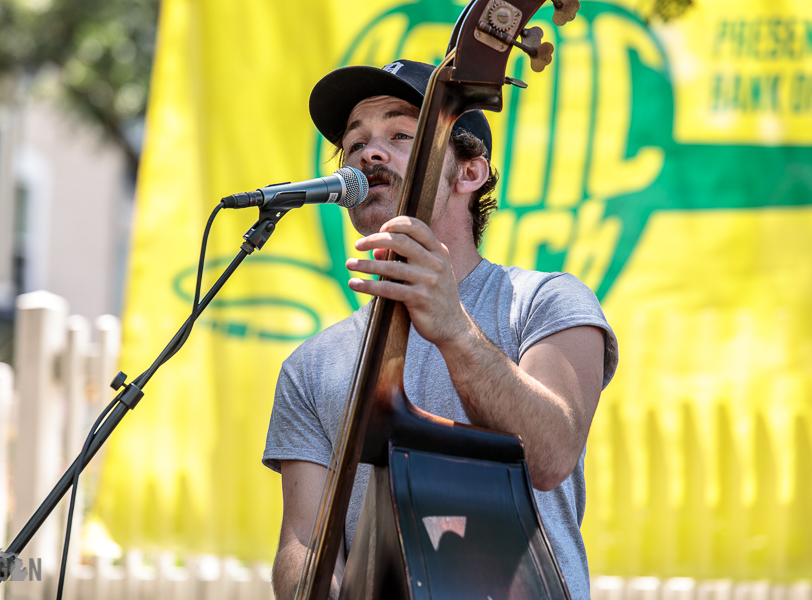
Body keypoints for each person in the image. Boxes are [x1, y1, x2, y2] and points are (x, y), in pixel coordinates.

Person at [262, 59, 618, 600]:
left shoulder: (546, 301)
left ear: (470, 173)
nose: (368, 153)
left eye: (401, 133)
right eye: (354, 144)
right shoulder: (311, 366)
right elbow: (304, 542)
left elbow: (550, 455)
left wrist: (453, 328)